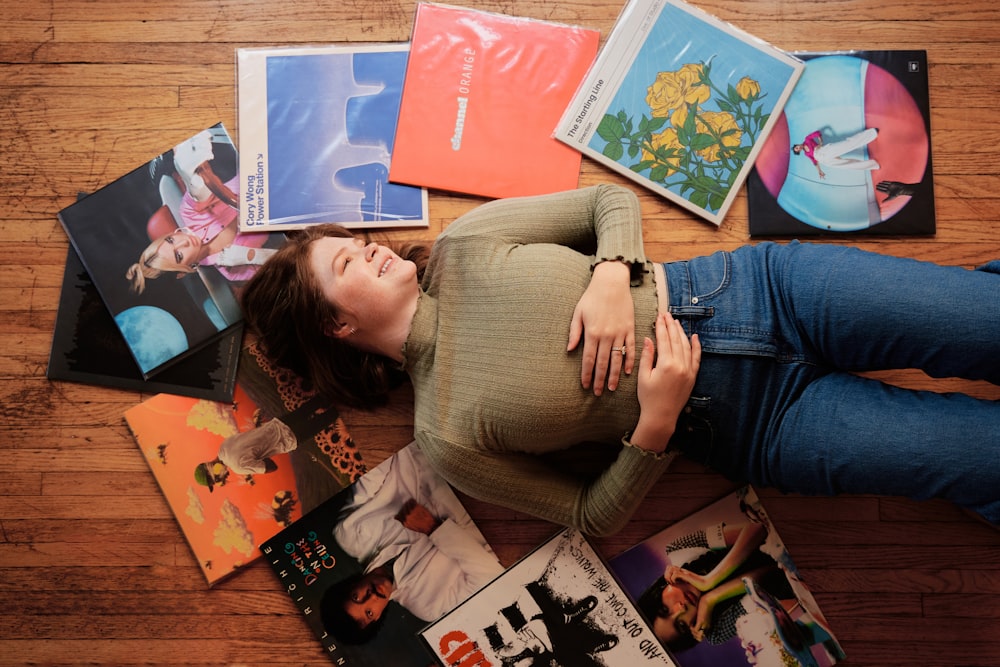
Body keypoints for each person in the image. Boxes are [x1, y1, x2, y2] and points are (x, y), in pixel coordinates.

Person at [239, 183, 1000, 537]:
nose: (368, 247)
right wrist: (655, 426)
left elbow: (606, 203)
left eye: (352, 241)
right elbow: (586, 514)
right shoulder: (444, 434)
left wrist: (610, 270)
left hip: (765, 293)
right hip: (761, 428)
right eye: (344, 265)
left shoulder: (469, 239)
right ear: (335, 326)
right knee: (983, 460)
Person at [320, 445, 502, 643]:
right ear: (378, 617)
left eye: (357, 597)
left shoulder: (350, 535)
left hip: (429, 447)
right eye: (369, 612)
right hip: (487, 495)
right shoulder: (427, 606)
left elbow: (373, 468)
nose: (372, 597)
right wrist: (432, 528)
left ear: (351, 585)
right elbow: (491, 576)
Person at [126, 131, 276, 294]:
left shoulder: (189, 214)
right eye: (178, 256)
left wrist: (189, 171)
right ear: (185, 270)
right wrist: (251, 255)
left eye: (170, 240)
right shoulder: (232, 271)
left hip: (262, 166)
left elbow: (198, 191)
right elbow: (287, 260)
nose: (184, 242)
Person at [792, 128, 880, 179]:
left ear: (797, 145)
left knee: (847, 144)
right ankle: (873, 165)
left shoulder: (807, 139)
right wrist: (820, 171)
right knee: (847, 165)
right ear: (799, 152)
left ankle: (872, 133)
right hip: (824, 161)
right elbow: (815, 162)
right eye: (797, 150)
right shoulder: (806, 154)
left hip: (823, 151)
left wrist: (820, 143)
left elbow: (817, 133)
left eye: (797, 147)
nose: (798, 148)